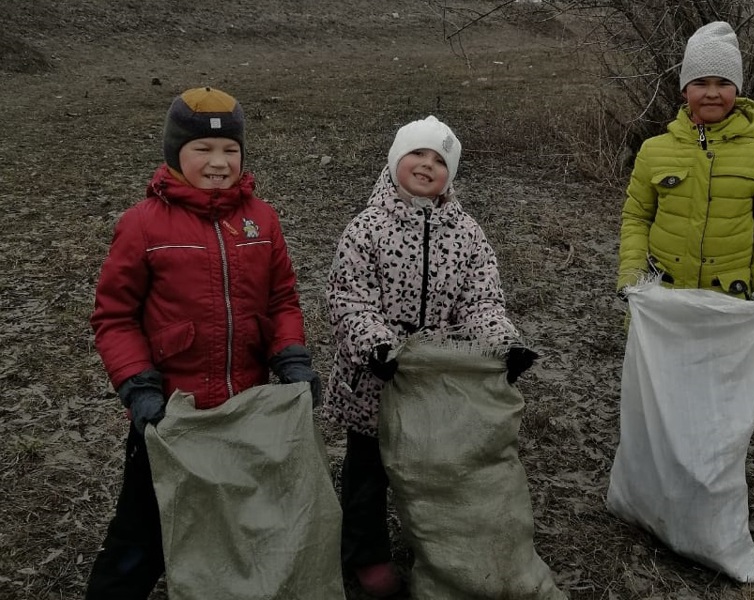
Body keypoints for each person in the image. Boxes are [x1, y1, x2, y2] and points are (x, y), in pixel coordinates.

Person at [84, 86, 320, 599]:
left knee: (240, 520)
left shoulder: (262, 220)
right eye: (202, 150)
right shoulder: (142, 224)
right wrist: (138, 387)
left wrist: (291, 357)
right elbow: (115, 317)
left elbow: (282, 301)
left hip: (244, 410)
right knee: (141, 534)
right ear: (174, 154)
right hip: (170, 415)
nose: (218, 162)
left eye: (230, 150)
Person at [323, 115, 538, 597]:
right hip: (375, 381)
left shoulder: (467, 234)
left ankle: (436, 544)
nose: (427, 165)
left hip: (436, 384)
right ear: (396, 159)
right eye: (417, 154)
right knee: (368, 471)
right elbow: (347, 296)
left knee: (436, 466)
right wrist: (376, 344)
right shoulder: (366, 229)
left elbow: (481, 301)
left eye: (439, 160)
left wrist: (502, 344)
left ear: (451, 174)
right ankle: (366, 551)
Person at [617, 21, 754, 310]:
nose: (712, 93)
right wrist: (632, 276)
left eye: (723, 83)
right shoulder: (653, 150)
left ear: (737, 89)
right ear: (685, 90)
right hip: (660, 301)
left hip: (729, 302)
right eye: (700, 83)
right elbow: (637, 218)